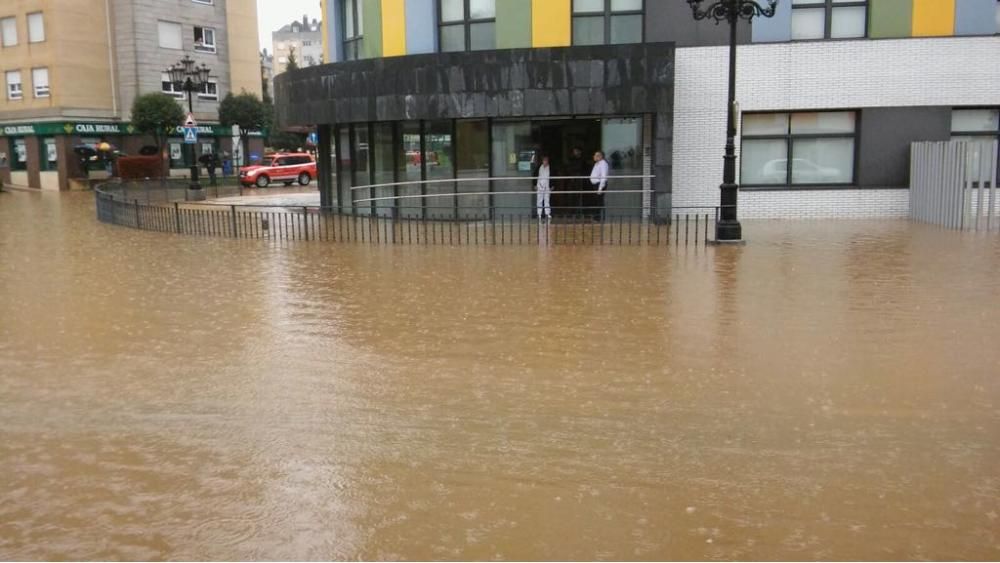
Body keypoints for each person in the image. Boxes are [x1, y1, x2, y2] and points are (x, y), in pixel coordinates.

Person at [590, 151, 609, 221]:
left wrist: (600, 188)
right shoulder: (597, 164)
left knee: (599, 201)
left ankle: (599, 217)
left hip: (599, 184)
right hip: (595, 184)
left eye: (596, 155)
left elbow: (604, 176)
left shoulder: (603, 164)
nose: (594, 156)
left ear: (600, 156)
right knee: (597, 201)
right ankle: (597, 216)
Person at [536, 155, 553, 220]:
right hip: (540, 185)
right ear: (542, 161)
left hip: (547, 185)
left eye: (546, 160)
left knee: (547, 200)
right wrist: (535, 185)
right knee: (539, 200)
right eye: (544, 160)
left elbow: (553, 177)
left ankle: (547, 213)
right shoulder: (539, 168)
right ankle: (539, 214)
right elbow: (535, 176)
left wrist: (552, 186)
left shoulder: (550, 168)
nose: (545, 161)